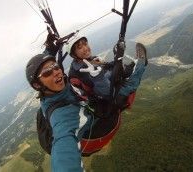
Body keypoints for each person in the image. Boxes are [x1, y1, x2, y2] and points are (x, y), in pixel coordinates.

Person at [25, 36, 147, 171]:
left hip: (87, 101)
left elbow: (45, 68)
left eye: (55, 66)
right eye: (48, 72)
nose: (55, 72)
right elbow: (64, 153)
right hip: (98, 130)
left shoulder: (52, 89)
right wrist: (99, 78)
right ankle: (141, 65)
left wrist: (50, 50)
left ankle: (129, 68)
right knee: (124, 91)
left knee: (115, 74)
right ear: (37, 85)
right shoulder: (63, 116)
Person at [66, 35, 148, 104]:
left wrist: (117, 59)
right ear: (74, 55)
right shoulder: (78, 73)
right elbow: (103, 91)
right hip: (106, 97)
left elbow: (107, 66)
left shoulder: (89, 59)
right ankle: (140, 64)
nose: (85, 48)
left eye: (85, 44)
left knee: (123, 69)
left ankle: (134, 63)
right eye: (80, 47)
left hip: (109, 81)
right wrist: (98, 76)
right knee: (130, 84)